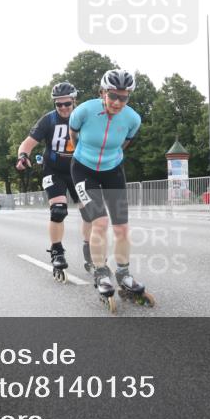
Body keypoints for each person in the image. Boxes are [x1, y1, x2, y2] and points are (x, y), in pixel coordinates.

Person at [69, 69, 153, 310]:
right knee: (100, 223)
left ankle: (124, 274)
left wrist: (107, 159)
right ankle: (101, 272)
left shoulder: (133, 119)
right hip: (83, 170)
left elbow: (125, 143)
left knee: (122, 227)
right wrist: (83, 156)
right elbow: (74, 136)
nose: (117, 102)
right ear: (102, 93)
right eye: (113, 96)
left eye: (123, 98)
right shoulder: (83, 111)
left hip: (113, 170)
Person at [16, 81, 91, 282]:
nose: (63, 108)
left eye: (67, 104)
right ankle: (57, 251)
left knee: (90, 211)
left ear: (74, 101)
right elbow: (28, 142)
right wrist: (23, 156)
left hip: (78, 170)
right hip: (54, 170)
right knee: (58, 209)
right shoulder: (48, 120)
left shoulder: (84, 118)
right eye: (59, 105)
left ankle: (89, 247)